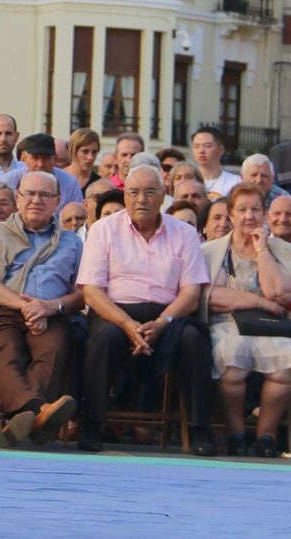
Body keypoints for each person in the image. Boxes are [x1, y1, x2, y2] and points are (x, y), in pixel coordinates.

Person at [76, 165, 216, 456]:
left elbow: (191, 294)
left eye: (150, 192)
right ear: (125, 196)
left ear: (163, 196)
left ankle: (200, 429)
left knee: (193, 339)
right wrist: (127, 324)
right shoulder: (103, 230)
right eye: (134, 192)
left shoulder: (184, 233)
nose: (141, 199)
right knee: (104, 339)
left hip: (168, 315)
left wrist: (162, 322)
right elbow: (91, 291)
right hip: (115, 314)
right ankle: (92, 424)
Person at [0, 171, 83, 447]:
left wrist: (50, 307)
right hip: (5, 311)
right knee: (5, 350)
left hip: (53, 314)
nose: (36, 200)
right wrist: (27, 307)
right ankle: (39, 412)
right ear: (18, 199)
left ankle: (22, 420)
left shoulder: (71, 242)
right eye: (30, 194)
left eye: (45, 194)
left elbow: (83, 293)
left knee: (54, 347)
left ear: (57, 200)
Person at [200, 183, 291, 457]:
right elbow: (212, 298)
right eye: (242, 210)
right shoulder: (212, 251)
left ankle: (266, 436)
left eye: (255, 210)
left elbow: (281, 293)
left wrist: (262, 251)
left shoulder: (282, 250)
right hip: (227, 323)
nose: (249, 216)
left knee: (287, 362)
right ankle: (235, 433)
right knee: (231, 360)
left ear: (264, 213)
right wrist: (261, 302)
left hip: (271, 326)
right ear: (231, 214)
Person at [2, 133, 83, 211]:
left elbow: (78, 214)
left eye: (46, 158)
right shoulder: (10, 181)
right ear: (24, 158)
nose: (40, 164)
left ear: (55, 159)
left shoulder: (70, 184)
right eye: (35, 158)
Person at [191, 126, 241, 200]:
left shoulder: (236, 182)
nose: (201, 151)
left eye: (207, 146)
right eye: (196, 146)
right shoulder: (187, 181)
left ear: (221, 149)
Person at [63, 128, 101, 194]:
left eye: (94, 152)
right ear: (73, 150)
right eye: (85, 151)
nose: (90, 157)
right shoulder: (58, 178)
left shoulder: (99, 183)